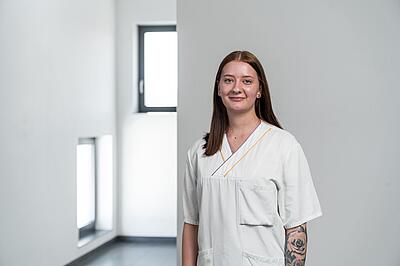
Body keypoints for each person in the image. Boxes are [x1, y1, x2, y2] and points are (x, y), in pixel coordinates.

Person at [182, 50, 322, 266]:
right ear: (219, 88)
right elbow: (192, 224)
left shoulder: (284, 146)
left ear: (259, 90)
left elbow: (296, 227)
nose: (236, 88)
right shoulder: (199, 152)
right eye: (228, 80)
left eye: (247, 81)